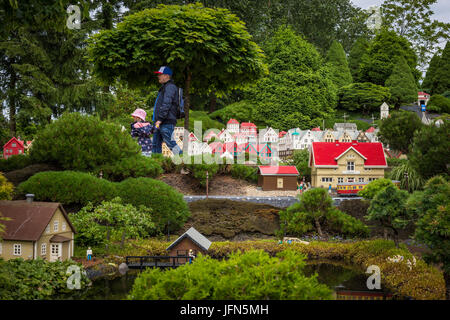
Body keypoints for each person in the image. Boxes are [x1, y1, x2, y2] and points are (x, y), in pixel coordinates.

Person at [152, 66, 182, 155]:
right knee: (155, 145)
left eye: (160, 75)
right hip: (160, 122)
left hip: (165, 122)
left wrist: (160, 119)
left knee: (171, 144)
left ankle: (186, 162)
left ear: (166, 76)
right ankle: (156, 167)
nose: (158, 76)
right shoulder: (164, 87)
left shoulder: (170, 87)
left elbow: (166, 104)